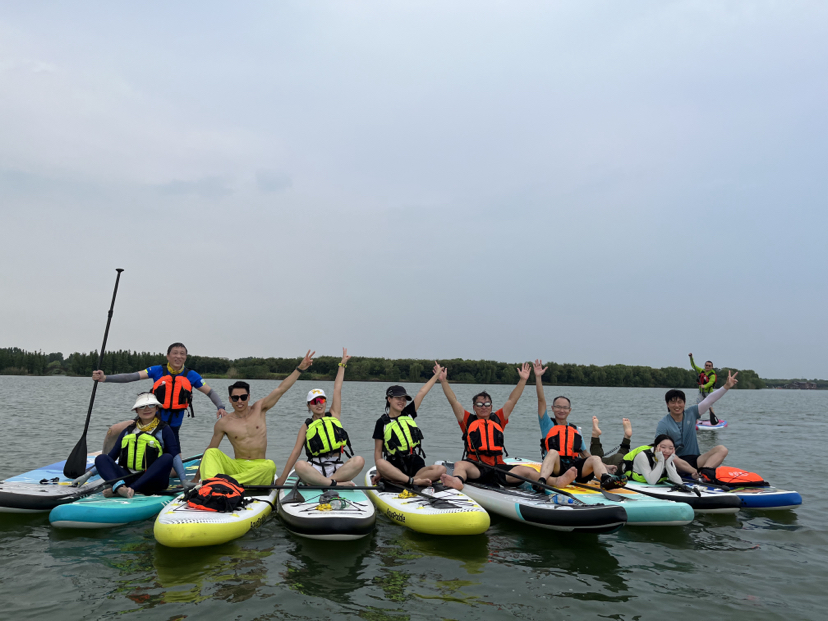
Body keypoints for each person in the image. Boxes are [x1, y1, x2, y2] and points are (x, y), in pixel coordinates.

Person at [93, 342, 228, 484]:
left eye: (182, 354)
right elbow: (131, 377)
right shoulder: (157, 370)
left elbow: (210, 392)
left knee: (174, 473)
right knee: (114, 430)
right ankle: (107, 465)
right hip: (147, 422)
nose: (178, 356)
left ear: (186, 357)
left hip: (171, 430)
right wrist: (105, 378)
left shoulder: (191, 375)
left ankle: (146, 469)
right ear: (168, 356)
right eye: (175, 353)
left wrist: (220, 406)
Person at [439, 362, 574, 491]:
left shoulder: (499, 419)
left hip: (499, 468)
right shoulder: (467, 420)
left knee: (527, 471)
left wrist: (523, 380)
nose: (484, 407)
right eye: (479, 404)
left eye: (487, 404)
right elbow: (453, 401)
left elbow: (512, 400)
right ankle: (457, 481)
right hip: (476, 468)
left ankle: (556, 481)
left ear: (491, 406)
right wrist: (444, 381)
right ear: (474, 407)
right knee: (460, 465)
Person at [193, 350, 315, 486]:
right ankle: (213, 484)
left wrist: (299, 369)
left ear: (249, 397)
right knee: (211, 452)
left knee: (270, 466)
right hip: (237, 466)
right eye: (235, 398)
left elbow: (281, 389)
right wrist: (195, 478)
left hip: (259, 467)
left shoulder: (259, 408)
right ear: (230, 399)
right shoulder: (224, 423)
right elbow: (210, 450)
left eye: (243, 397)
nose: (240, 401)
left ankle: (223, 483)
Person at [533, 360, 626, 490]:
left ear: (569, 410)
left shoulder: (575, 429)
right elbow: (541, 400)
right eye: (558, 407)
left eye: (565, 408)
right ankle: (542, 481)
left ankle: (606, 479)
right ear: (552, 409)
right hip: (556, 467)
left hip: (574, 467)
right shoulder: (547, 424)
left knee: (594, 458)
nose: (561, 410)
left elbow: (584, 453)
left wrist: (605, 466)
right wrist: (538, 377)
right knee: (553, 452)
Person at [277, 348, 365, 487]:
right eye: (314, 402)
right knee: (300, 465)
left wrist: (342, 364)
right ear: (308, 405)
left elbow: (337, 388)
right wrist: (282, 478)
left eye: (321, 400)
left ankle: (325, 483)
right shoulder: (306, 426)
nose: (319, 404)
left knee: (359, 460)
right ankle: (336, 484)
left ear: (325, 402)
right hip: (316, 468)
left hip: (337, 467)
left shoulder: (334, 414)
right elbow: (296, 452)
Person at [371, 364, 446, 487]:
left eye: (404, 399)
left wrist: (437, 375)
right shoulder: (382, 422)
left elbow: (422, 392)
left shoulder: (409, 413)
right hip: (395, 465)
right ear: (389, 399)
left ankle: (407, 481)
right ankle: (413, 481)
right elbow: (378, 450)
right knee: (380, 463)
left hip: (414, 463)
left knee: (441, 469)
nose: (402, 402)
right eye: (398, 398)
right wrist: (380, 472)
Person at [94, 392, 180, 499]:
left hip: (153, 481)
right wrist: (88, 474)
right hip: (129, 477)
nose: (147, 409)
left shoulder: (165, 430)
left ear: (157, 408)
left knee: (167, 458)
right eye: (142, 406)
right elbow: (110, 457)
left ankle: (128, 489)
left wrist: (184, 480)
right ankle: (120, 488)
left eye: (151, 405)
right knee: (101, 458)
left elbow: (175, 457)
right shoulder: (128, 431)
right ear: (136, 410)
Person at [655, 370, 738, 479]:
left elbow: (709, 400)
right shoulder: (663, 424)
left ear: (684, 403)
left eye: (680, 402)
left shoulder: (692, 413)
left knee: (722, 449)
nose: (677, 405)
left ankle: (703, 474)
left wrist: (726, 386)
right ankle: (696, 473)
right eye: (673, 402)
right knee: (670, 456)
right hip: (676, 462)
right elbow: (658, 450)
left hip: (696, 459)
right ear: (667, 404)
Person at [689, 353, 719, 424]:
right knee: (697, 405)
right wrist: (691, 358)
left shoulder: (712, 375)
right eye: (706, 365)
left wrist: (704, 386)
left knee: (710, 406)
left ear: (712, 367)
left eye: (709, 366)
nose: (707, 367)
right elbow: (693, 366)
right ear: (704, 366)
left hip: (709, 393)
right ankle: (695, 420)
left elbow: (711, 382)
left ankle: (713, 420)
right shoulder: (702, 371)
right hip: (701, 392)